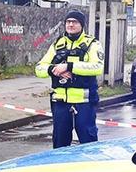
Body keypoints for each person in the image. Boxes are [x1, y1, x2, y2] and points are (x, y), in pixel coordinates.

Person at [36, 10, 104, 148]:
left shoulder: (92, 44)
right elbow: (39, 68)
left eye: (75, 22)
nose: (71, 25)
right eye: (68, 22)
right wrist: (54, 70)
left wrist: (70, 67)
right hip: (60, 102)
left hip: (83, 103)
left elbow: (97, 67)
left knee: (88, 144)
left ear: (82, 25)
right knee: (60, 144)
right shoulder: (58, 44)